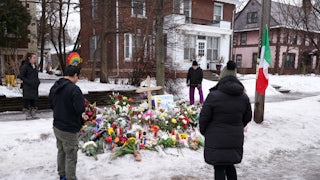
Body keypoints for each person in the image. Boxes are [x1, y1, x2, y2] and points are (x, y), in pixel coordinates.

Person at [199, 61, 252, 180]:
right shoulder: (243, 96)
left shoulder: (213, 96)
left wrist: (205, 131)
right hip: (235, 137)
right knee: (230, 165)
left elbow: (204, 118)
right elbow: (247, 116)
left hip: (216, 137)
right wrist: (237, 126)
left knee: (219, 167)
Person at [49, 65, 85, 180]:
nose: (77, 79)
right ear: (75, 75)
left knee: (61, 151)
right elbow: (80, 109)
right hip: (69, 128)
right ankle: (70, 177)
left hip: (57, 126)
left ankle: (62, 174)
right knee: (71, 155)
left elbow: (51, 104)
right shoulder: (74, 89)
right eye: (77, 77)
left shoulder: (56, 86)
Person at [19, 52, 40, 120]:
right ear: (29, 58)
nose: (35, 59)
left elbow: (36, 75)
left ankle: (33, 113)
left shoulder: (34, 66)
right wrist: (28, 82)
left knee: (34, 100)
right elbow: (21, 76)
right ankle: (27, 113)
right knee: (27, 100)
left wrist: (38, 81)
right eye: (34, 58)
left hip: (34, 86)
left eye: (35, 58)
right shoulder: (25, 66)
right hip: (27, 86)